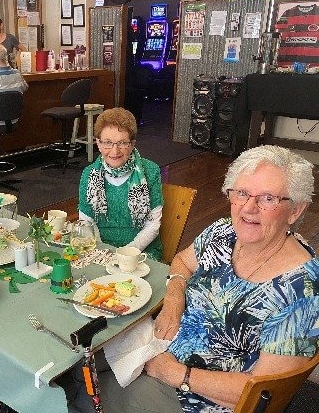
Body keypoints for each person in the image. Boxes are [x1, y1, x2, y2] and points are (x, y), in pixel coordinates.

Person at [72, 145, 318, 413]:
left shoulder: (301, 290)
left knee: (81, 395)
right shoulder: (223, 232)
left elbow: (262, 391)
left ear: (295, 210)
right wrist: (175, 298)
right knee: (76, 365)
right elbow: (182, 261)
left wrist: (177, 374)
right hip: (158, 345)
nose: (249, 208)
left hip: (198, 397)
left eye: (268, 198)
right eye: (242, 193)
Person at [77, 107, 163, 260]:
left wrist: (125, 253)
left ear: (132, 143)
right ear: (98, 143)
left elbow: (152, 226)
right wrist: (103, 252)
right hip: (100, 249)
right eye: (108, 143)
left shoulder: (151, 171)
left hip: (141, 252)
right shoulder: (89, 174)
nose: (114, 151)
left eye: (122, 143)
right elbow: (86, 223)